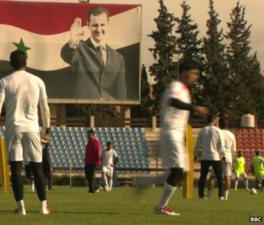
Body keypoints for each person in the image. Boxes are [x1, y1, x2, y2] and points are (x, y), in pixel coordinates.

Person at [134, 60, 209, 216]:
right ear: (184, 72)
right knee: (177, 171)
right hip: (171, 133)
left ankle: (145, 182)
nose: (196, 77)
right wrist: (195, 108)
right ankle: (161, 207)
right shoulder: (176, 86)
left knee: (178, 172)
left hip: (175, 133)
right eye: (193, 73)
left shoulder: (184, 90)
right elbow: (173, 101)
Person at [0, 50, 51, 216]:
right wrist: (47, 129)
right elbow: (44, 108)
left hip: (14, 128)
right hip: (32, 129)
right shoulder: (38, 81)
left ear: (10, 63)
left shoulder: (3, 82)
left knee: (16, 168)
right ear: (26, 62)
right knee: (37, 167)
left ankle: (21, 208)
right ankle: (43, 207)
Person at [60, 6, 126, 99]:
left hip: (108, 110)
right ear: (88, 25)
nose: (99, 29)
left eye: (102, 25)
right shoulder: (79, 48)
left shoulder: (118, 58)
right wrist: (73, 43)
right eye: (95, 25)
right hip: (83, 109)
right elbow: (66, 55)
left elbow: (121, 96)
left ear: (108, 24)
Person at [194, 114, 225, 200]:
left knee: (203, 177)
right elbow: (221, 145)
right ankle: (221, 195)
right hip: (215, 157)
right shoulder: (218, 130)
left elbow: (197, 144)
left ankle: (201, 195)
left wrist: (196, 154)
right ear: (214, 121)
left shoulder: (203, 130)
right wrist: (223, 155)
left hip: (205, 157)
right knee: (219, 178)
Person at [84, 129, 101, 194]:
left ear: (92, 135)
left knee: (91, 176)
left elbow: (98, 153)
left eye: (89, 134)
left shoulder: (96, 142)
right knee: (87, 176)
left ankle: (91, 190)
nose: (87, 136)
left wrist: (98, 162)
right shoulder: (89, 142)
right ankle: (96, 187)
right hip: (87, 161)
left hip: (93, 162)